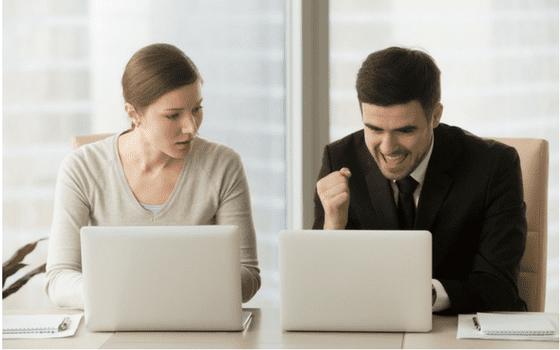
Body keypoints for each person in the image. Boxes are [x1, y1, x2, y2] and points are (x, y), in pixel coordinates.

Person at [45, 43, 261, 309]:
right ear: (134, 114)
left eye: (197, 109)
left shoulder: (223, 165)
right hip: (115, 322)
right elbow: (58, 278)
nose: (191, 127)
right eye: (173, 115)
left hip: (197, 325)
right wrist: (121, 294)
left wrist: (167, 292)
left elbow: (248, 275)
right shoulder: (82, 167)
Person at [313, 46, 527, 314]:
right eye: (374, 129)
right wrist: (333, 225)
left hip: (457, 333)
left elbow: (500, 288)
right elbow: (323, 295)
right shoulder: (339, 159)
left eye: (405, 130)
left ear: (435, 115)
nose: (388, 147)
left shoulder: (494, 165)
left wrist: (425, 295)